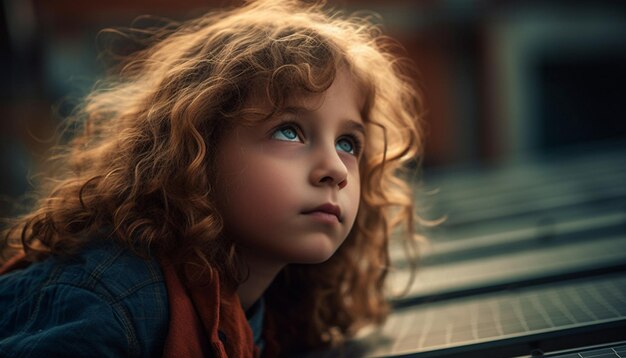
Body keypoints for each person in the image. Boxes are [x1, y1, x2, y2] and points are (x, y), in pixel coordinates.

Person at [0, 0, 424, 356]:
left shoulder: (286, 306)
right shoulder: (112, 302)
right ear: (195, 152)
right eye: (289, 131)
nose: (334, 168)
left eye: (348, 143)